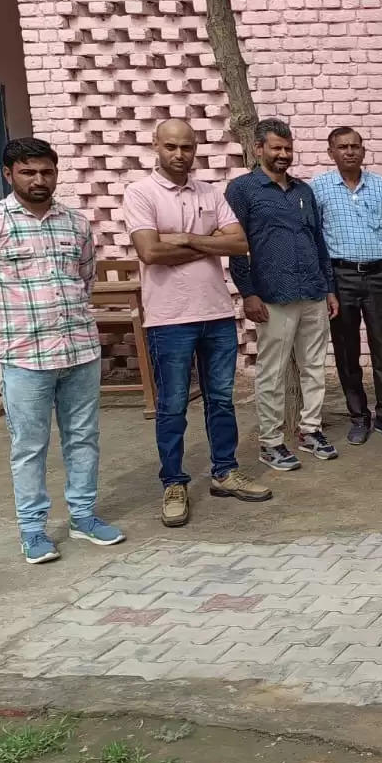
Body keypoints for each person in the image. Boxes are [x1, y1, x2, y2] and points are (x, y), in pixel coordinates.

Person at [0, 137, 124, 563]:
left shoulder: (76, 223)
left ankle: (83, 516)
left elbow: (84, 278)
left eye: (46, 171)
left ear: (56, 172)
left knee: (83, 437)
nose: (39, 180)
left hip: (80, 350)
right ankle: (33, 529)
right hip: (25, 358)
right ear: (9, 174)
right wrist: (6, 331)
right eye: (28, 172)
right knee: (29, 445)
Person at [124, 119, 269, 527]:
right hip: (169, 319)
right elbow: (150, 253)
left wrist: (184, 239)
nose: (179, 154)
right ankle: (174, 482)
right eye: (170, 146)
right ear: (156, 145)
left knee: (221, 400)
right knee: (171, 406)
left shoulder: (210, 192)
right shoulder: (140, 193)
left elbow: (240, 244)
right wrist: (208, 244)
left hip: (217, 314)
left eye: (186, 147)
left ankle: (224, 471)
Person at [227, 118, 339, 472]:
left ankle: (310, 430)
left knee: (314, 367)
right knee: (272, 372)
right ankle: (271, 441)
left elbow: (318, 242)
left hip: (312, 292)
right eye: (276, 148)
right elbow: (236, 246)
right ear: (258, 148)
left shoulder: (304, 191)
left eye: (288, 148)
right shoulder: (243, 190)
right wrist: (248, 293)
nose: (283, 154)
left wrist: (329, 288)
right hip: (271, 296)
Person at [312, 126, 382, 445]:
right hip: (341, 278)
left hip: (380, 276)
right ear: (332, 153)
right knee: (346, 351)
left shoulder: (380, 185)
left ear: (364, 151)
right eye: (343, 147)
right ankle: (358, 417)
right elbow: (315, 240)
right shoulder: (319, 188)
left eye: (355, 146)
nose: (350, 151)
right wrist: (326, 287)